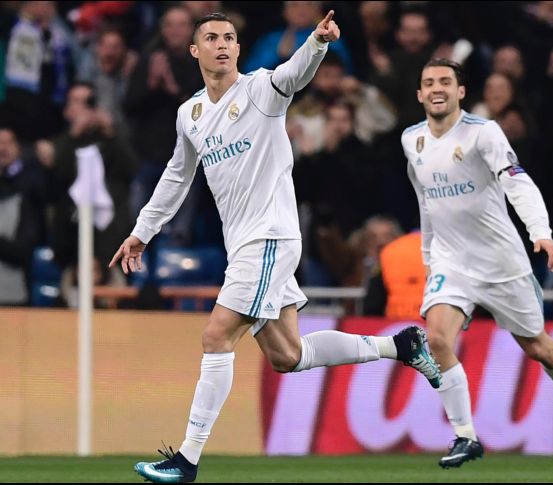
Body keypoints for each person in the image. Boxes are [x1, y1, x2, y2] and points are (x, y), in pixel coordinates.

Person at [110, 12, 441, 483]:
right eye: (211, 38)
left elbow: (295, 72)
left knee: (216, 335)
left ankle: (186, 460)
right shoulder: (191, 115)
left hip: (269, 237)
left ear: (238, 49)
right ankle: (401, 344)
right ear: (194, 50)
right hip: (244, 244)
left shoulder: (261, 90)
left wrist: (318, 43)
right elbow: (177, 177)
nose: (221, 44)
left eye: (229, 37)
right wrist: (143, 231)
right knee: (288, 356)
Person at [402, 59, 553, 469]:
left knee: (539, 348)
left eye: (445, 81)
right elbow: (427, 204)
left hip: (501, 263)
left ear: (461, 92)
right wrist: (428, 258)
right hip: (451, 262)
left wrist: (540, 231)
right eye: (428, 83)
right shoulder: (412, 140)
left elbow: (516, 179)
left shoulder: (483, 133)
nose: (436, 88)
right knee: (437, 339)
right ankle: (465, 436)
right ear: (420, 95)